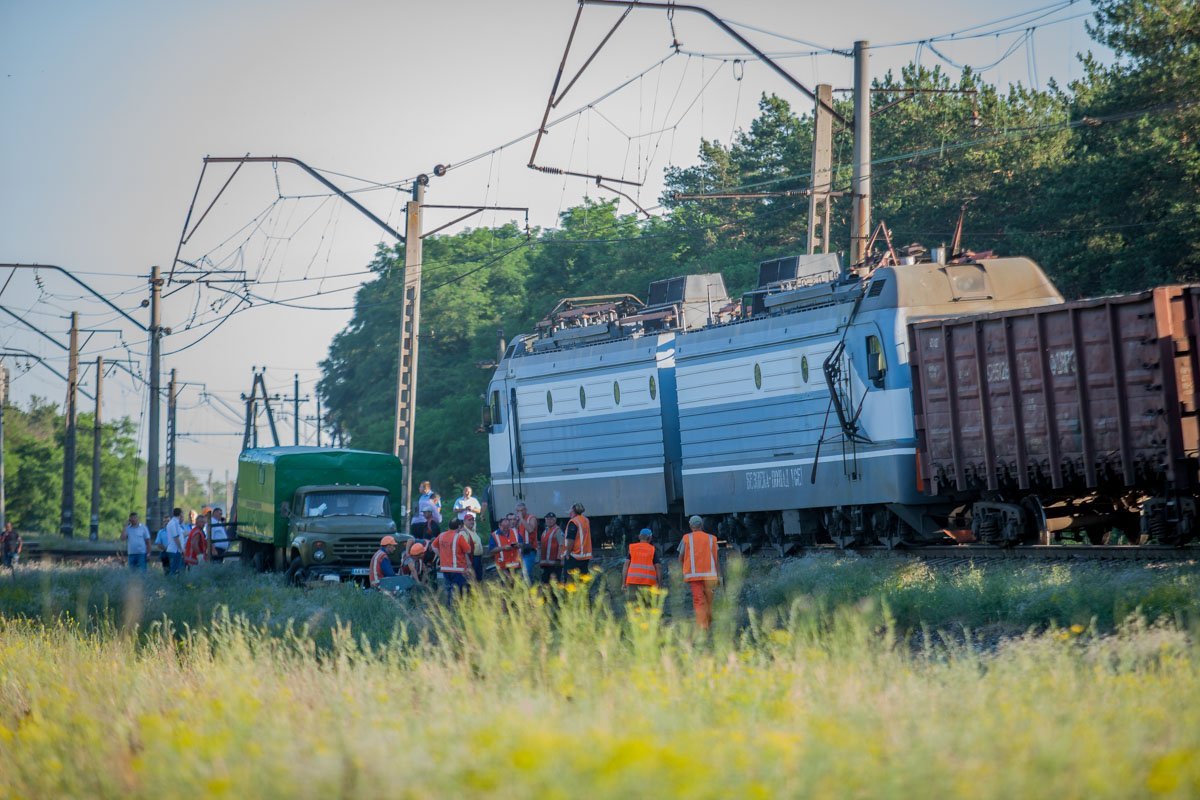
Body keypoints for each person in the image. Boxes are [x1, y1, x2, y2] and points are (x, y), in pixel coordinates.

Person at [679, 515, 721, 630]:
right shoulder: (712, 538)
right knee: (709, 599)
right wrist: (718, 576)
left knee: (699, 600)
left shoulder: (686, 538)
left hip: (694, 577)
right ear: (702, 525)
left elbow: (681, 556)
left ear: (690, 526)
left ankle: (703, 626)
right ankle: (708, 621)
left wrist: (683, 569)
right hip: (710, 576)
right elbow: (716, 558)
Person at [431, 520, 473, 603]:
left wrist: (441, 556)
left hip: (445, 568)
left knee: (449, 589)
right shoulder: (459, 537)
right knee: (458, 591)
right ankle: (456, 609)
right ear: (459, 527)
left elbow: (433, 546)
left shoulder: (442, 535)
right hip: (457, 569)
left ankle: (450, 608)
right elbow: (468, 550)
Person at [622, 528, 662, 593]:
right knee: (647, 603)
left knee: (633, 603)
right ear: (650, 538)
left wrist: (623, 583)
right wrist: (659, 585)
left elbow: (626, 565)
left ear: (639, 537)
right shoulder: (652, 549)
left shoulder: (632, 548)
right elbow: (658, 568)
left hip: (632, 582)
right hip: (648, 583)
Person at [489, 515, 523, 580]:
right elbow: (491, 550)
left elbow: (522, 544)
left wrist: (518, 545)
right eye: (504, 527)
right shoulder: (494, 535)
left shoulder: (515, 532)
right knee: (506, 586)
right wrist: (503, 548)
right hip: (503, 566)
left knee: (518, 585)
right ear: (499, 526)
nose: (506, 529)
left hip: (516, 565)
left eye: (507, 527)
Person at [564, 503, 592, 578]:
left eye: (570, 511)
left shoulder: (573, 522)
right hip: (585, 557)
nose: (569, 514)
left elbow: (571, 539)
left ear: (573, 511)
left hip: (574, 556)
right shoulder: (585, 520)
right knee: (583, 581)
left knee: (571, 583)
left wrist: (567, 554)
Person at [537, 512, 565, 584]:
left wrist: (559, 559)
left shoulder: (558, 531)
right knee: (545, 584)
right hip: (546, 564)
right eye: (547, 519)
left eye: (551, 519)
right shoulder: (545, 531)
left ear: (555, 520)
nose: (549, 521)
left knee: (554, 585)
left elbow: (562, 545)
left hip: (555, 564)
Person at [515, 502, 539, 580]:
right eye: (518, 511)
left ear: (526, 510)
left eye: (522, 510)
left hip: (530, 550)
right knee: (524, 574)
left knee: (526, 574)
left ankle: (530, 590)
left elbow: (530, 529)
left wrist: (521, 519)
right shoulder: (518, 521)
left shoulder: (531, 518)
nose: (520, 513)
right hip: (522, 549)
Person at [462, 513, 485, 581]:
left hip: (478, 558)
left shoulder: (473, 531)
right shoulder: (464, 532)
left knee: (479, 578)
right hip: (471, 558)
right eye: (469, 520)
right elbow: (463, 549)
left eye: (473, 520)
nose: (472, 522)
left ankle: (478, 591)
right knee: (473, 579)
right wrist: (468, 561)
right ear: (464, 521)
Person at [165, 507, 187, 576]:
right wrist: (181, 549)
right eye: (182, 515)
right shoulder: (173, 524)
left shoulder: (176, 523)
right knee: (174, 570)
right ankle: (172, 584)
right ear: (180, 514)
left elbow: (181, 535)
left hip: (176, 550)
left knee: (178, 569)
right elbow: (176, 538)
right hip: (174, 551)